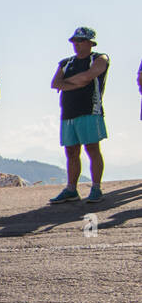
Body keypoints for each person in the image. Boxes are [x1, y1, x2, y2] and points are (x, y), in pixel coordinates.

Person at [49, 26, 109, 204]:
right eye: (75, 41)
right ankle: (71, 189)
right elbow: (55, 83)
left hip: (90, 109)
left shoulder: (98, 58)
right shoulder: (66, 62)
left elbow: (89, 76)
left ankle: (96, 187)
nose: (77, 44)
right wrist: (77, 82)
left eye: (81, 41)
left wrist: (67, 83)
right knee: (71, 151)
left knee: (92, 148)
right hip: (68, 112)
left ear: (90, 42)